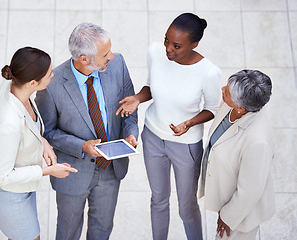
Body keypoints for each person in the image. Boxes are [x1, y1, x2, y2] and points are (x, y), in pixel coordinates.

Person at [116, 13, 221, 240]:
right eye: (166, 40)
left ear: (194, 45)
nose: (168, 49)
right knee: (158, 200)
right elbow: (152, 86)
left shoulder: (209, 72)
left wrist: (189, 123)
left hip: (186, 146)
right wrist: (137, 98)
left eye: (176, 46)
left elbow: (212, 109)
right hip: (152, 138)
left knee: (187, 207)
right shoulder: (155, 52)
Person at [35, 22, 138, 240]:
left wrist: (131, 134)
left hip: (111, 169)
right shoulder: (51, 85)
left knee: (102, 229)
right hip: (72, 172)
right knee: (68, 231)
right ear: (84, 59)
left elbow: (129, 107)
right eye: (104, 54)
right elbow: (48, 132)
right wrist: (82, 146)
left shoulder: (117, 64)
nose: (111, 56)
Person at [0, 47, 78, 240]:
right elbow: (1, 176)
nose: (53, 75)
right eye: (49, 74)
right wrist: (49, 171)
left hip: (22, 186)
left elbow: (28, 122)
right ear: (33, 82)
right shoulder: (9, 123)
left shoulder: (13, 88)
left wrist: (42, 140)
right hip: (10, 194)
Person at [198, 69, 275, 240]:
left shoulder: (258, 142)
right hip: (226, 191)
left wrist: (227, 218)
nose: (222, 89)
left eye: (227, 92)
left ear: (240, 107)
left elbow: (249, 192)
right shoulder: (233, 104)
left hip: (242, 213)